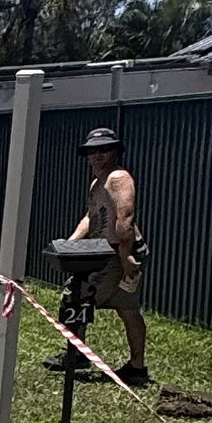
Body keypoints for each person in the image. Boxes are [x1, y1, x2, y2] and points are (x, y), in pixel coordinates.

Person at [78, 123, 148, 384]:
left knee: (77, 297)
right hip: (109, 252)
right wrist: (69, 243)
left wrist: (125, 256)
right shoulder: (98, 182)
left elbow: (125, 216)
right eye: (92, 151)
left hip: (116, 254)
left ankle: (76, 354)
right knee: (127, 309)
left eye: (104, 149)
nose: (97, 155)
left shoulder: (118, 177)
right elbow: (91, 217)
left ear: (115, 151)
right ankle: (137, 367)